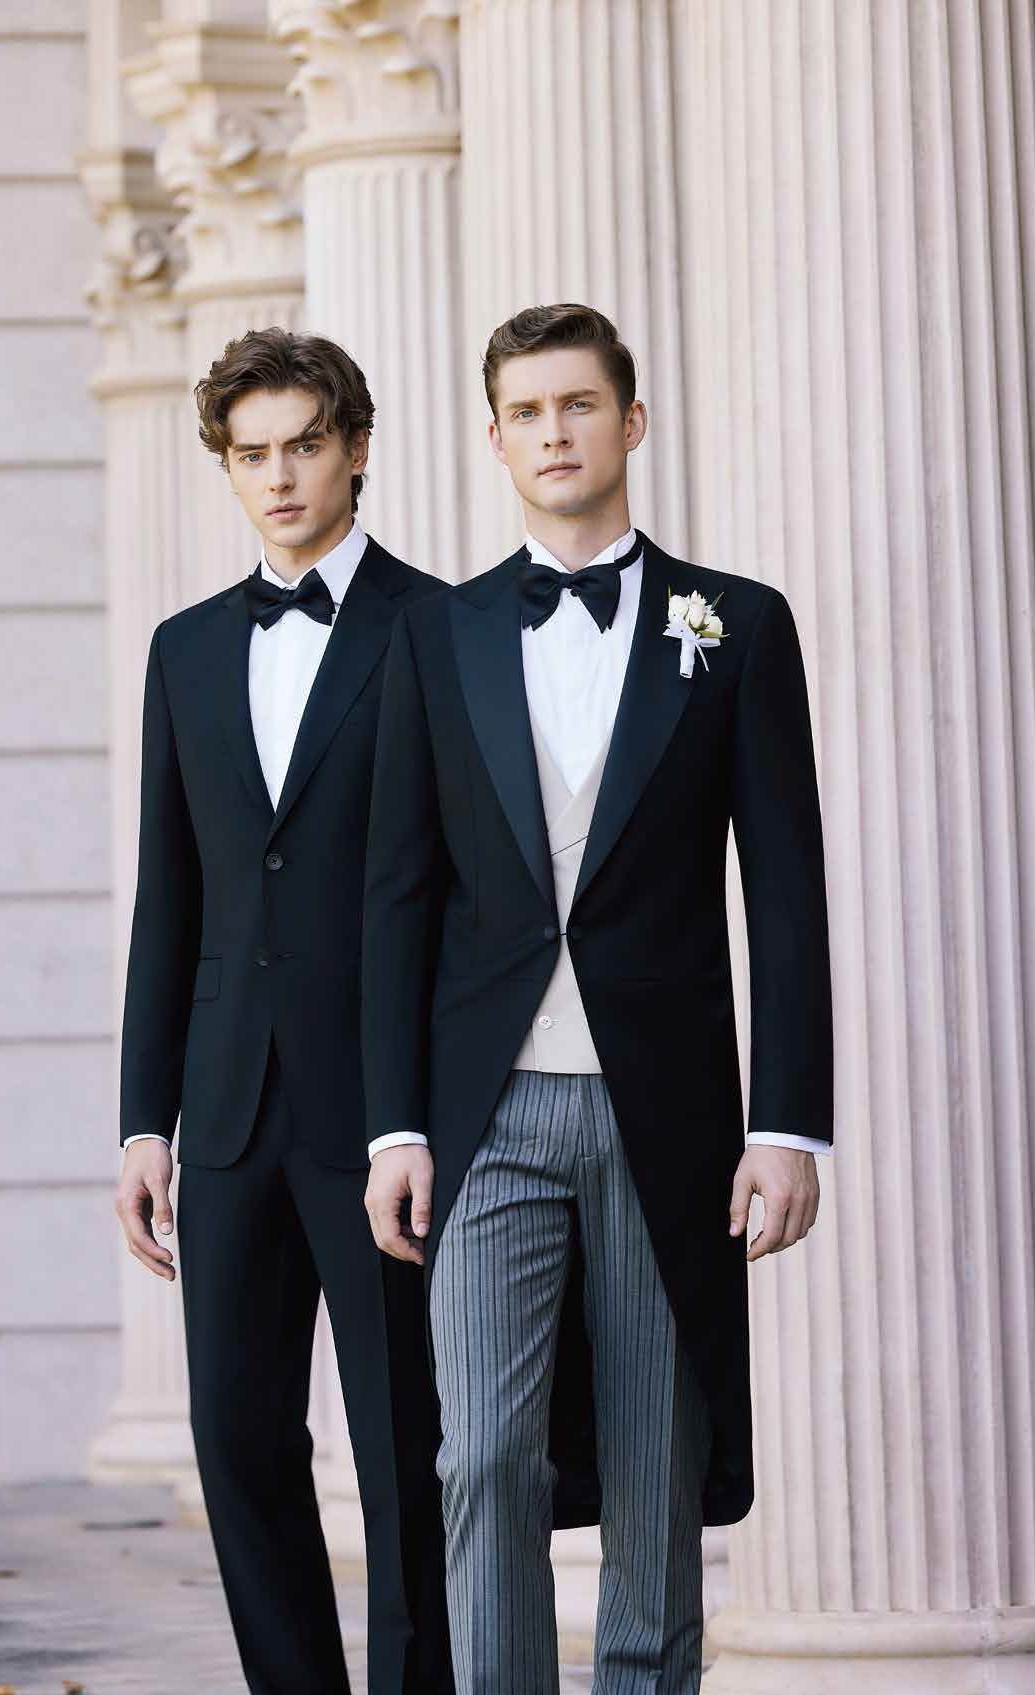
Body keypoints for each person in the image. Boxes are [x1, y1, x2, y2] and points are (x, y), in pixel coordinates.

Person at [362, 303, 834, 1693]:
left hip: (668, 1120)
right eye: (526, 411)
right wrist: (396, 1126)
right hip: (486, 1114)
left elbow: (788, 889)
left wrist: (792, 1124)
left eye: (579, 405)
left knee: (652, 1467)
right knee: (486, 1453)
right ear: (495, 438)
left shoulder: (735, 625)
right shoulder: (434, 636)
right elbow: (396, 899)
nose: (553, 432)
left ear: (630, 423)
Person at [114, 327, 453, 1695]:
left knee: (405, 1450)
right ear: (227, 468)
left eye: (303, 444)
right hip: (232, 1115)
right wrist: (147, 1121)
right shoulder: (187, 650)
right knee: (239, 1443)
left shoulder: (441, 629)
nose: (279, 477)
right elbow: (170, 897)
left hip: (388, 1116)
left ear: (354, 445)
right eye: (251, 455)